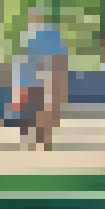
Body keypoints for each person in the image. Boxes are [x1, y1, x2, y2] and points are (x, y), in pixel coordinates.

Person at [18, 8, 69, 150]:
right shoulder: (30, 36)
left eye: (34, 17)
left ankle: (42, 138)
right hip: (36, 79)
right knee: (36, 108)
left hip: (46, 78)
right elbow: (25, 61)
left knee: (44, 108)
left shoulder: (48, 35)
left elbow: (60, 58)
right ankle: (38, 138)